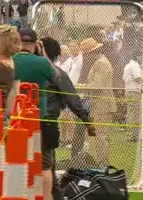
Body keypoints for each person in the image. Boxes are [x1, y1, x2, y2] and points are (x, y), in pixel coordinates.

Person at [40, 37, 94, 200]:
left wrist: (87, 121)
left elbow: (73, 99)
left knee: (46, 167)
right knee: (48, 168)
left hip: (46, 125)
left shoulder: (56, 74)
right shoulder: (36, 71)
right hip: (37, 126)